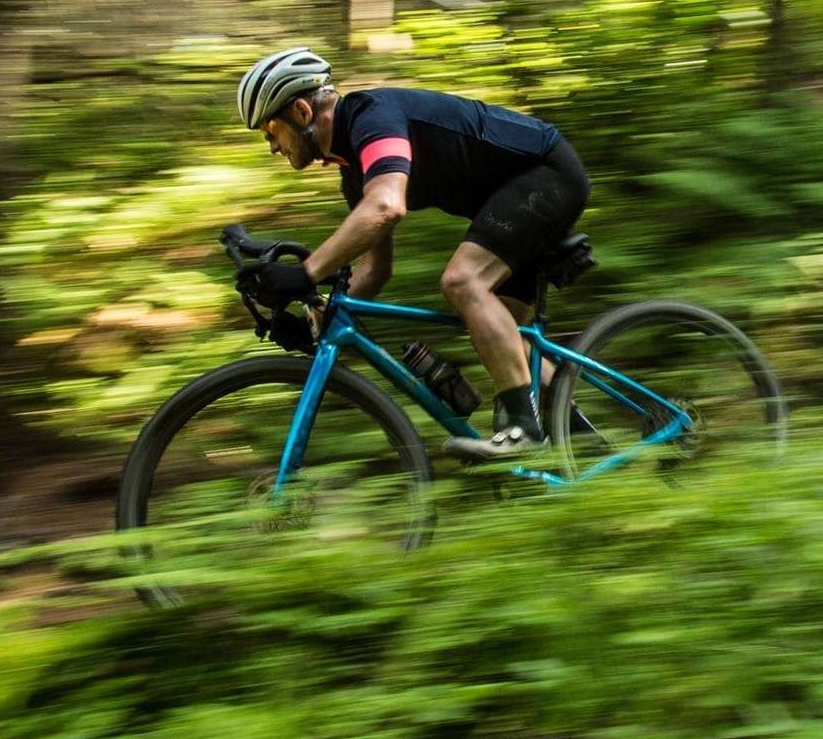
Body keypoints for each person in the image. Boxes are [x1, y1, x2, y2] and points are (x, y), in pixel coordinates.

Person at [234, 46, 590, 460]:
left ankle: (524, 429)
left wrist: (306, 273)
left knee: (463, 282)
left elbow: (386, 206)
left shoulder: (372, 118)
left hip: (547, 174)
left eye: (270, 130)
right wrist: (317, 324)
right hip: (511, 201)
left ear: (300, 111)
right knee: (498, 335)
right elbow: (376, 268)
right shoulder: (354, 169)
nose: (272, 146)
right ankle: (585, 440)